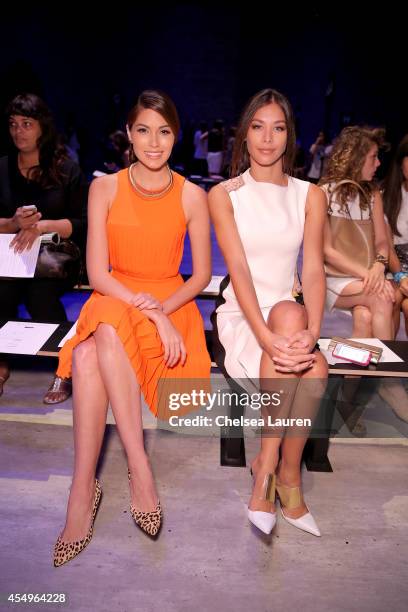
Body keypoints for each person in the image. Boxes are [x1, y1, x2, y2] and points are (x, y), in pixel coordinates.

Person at [52, 90, 211, 566]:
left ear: (176, 136)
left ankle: (84, 491)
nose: (154, 142)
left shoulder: (192, 195)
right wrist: (144, 308)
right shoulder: (103, 187)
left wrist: (160, 311)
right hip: (115, 295)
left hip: (170, 300)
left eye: (164, 131)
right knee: (101, 331)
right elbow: (98, 275)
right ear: (128, 134)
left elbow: (200, 276)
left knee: (89, 349)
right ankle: (135, 469)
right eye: (143, 130)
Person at [209, 88, 328, 537]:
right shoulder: (224, 194)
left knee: (315, 369)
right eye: (258, 127)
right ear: (244, 134)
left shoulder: (309, 195)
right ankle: (272, 474)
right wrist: (263, 334)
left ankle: (279, 470)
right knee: (292, 335)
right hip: (244, 317)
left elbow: (312, 270)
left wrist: (312, 330)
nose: (267, 138)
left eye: (278, 128)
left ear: (289, 135)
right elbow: (237, 269)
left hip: (289, 315)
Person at [0, 93, 88, 399]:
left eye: (27, 124)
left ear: (42, 128)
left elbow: (80, 223)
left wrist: (42, 227)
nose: (18, 131)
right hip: (10, 256)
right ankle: (0, 365)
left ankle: (64, 370)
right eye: (13, 124)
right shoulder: (2, 168)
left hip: (56, 256)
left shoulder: (65, 168)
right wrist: (13, 224)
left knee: (40, 291)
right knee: (2, 290)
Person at [321, 126, 407, 430]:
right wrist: (367, 273)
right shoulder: (324, 192)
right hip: (334, 280)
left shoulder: (372, 193)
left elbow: (383, 242)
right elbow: (326, 250)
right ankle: (388, 378)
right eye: (373, 156)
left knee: (365, 321)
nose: (379, 163)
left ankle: (346, 403)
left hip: (365, 279)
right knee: (383, 297)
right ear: (357, 157)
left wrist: (378, 265)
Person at [383, 134, 408, 335]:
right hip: (395, 267)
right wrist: (400, 276)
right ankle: (391, 360)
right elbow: (386, 245)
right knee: (391, 299)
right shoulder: (387, 195)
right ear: (401, 162)